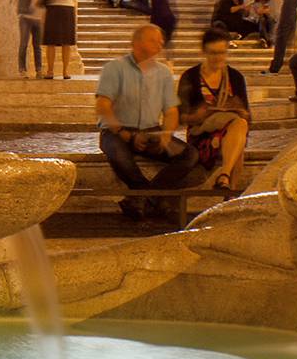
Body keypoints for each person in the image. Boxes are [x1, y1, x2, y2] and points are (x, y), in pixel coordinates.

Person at [96, 24, 188, 218]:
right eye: (154, 40)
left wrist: (166, 134)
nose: (161, 44)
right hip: (117, 132)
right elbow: (103, 106)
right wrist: (125, 134)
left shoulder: (163, 73)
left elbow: (171, 111)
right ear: (137, 43)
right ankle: (156, 199)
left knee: (190, 155)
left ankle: (142, 199)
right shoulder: (115, 68)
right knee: (120, 157)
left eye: (161, 40)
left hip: (151, 131)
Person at [175, 28, 251, 193]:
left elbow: (247, 116)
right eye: (213, 53)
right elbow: (181, 117)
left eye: (222, 53)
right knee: (238, 144)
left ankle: (224, 176)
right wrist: (199, 115)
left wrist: (238, 108)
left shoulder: (235, 77)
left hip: (230, 130)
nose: (218, 58)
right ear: (204, 51)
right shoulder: (190, 77)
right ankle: (229, 191)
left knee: (240, 124)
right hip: (201, 135)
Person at [13, 0, 46, 79]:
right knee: (24, 44)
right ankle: (22, 69)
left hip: (37, 18)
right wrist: (20, 9)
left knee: (37, 46)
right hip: (25, 17)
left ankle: (39, 70)